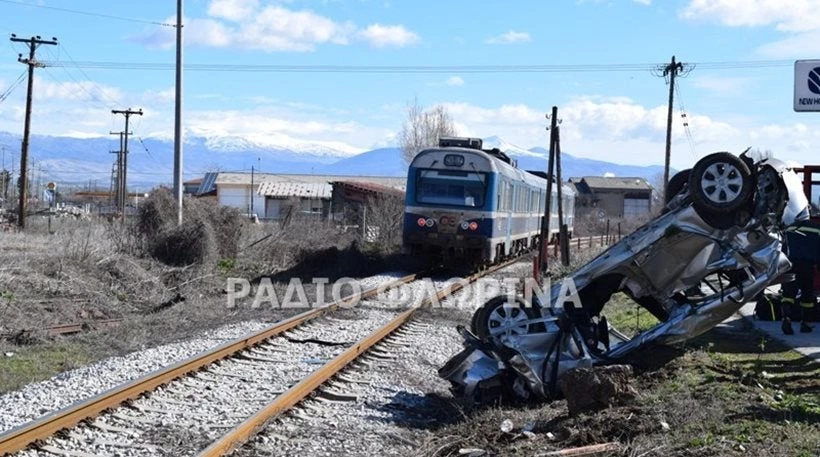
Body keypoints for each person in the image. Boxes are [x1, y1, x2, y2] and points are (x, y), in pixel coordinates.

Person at [781, 220, 820, 334]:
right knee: (807, 295)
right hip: (807, 266)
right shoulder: (816, 228)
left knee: (788, 294)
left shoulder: (788, 228)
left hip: (790, 264)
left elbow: (782, 247)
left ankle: (786, 318)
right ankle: (806, 324)